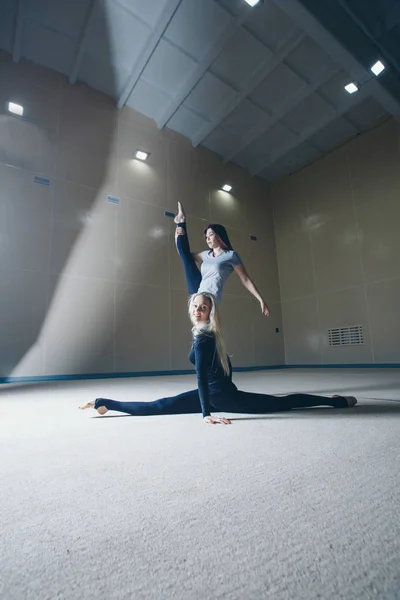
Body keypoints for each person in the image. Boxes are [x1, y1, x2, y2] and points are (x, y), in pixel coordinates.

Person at [79, 292, 357, 424]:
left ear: (211, 312)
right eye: (196, 306)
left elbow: (200, 376)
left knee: (285, 404)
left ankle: (336, 402)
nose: (199, 309)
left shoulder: (205, 337)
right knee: (159, 405)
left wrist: (206, 414)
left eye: (204, 307)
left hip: (224, 398)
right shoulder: (204, 333)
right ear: (191, 310)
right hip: (215, 394)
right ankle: (105, 403)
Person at [174, 201, 270, 316]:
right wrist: (178, 235)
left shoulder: (231, 255)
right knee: (187, 258)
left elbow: (245, 279)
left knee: (203, 324)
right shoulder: (205, 254)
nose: (207, 238)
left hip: (210, 297)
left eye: (210, 234)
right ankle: (181, 221)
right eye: (206, 236)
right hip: (198, 287)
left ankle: (181, 222)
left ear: (219, 236)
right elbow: (184, 255)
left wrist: (261, 299)